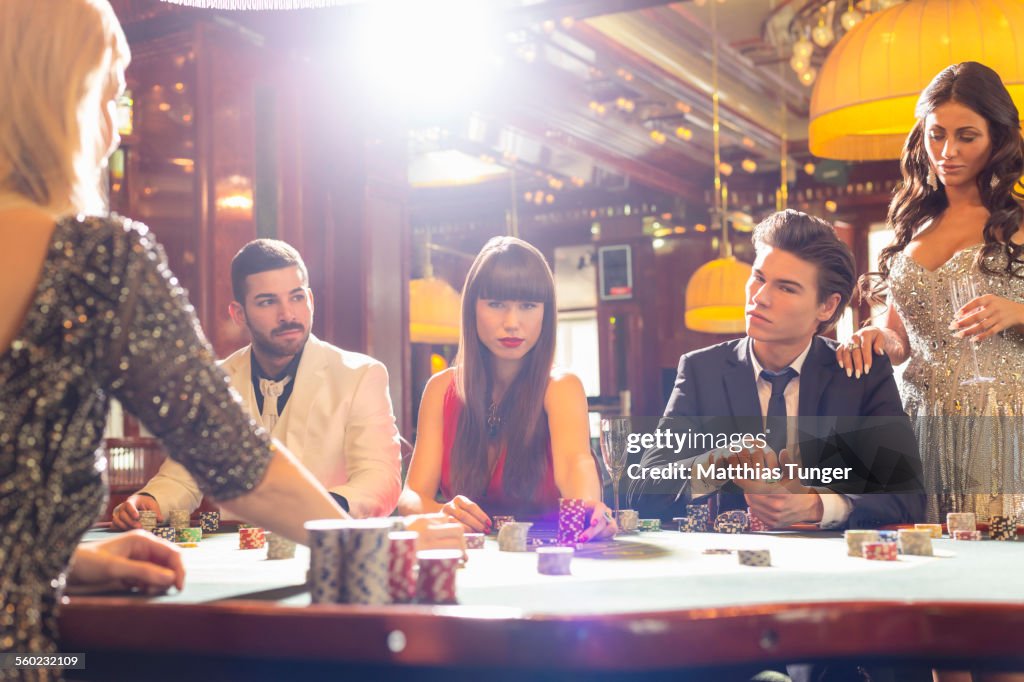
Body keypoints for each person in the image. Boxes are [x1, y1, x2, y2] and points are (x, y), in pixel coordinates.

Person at [0, 0, 459, 664]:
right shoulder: (91, 257)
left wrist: (65, 562)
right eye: (108, 98)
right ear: (62, 97)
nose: (109, 133)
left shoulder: (357, 373)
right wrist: (376, 549)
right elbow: (240, 466)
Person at [630, 210, 924, 529]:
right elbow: (643, 491)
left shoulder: (860, 373)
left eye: (786, 288)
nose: (760, 298)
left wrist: (819, 506)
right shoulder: (702, 371)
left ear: (826, 306)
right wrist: (720, 462)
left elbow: (908, 498)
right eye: (758, 278)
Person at [839, 62, 1024, 524]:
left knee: (994, 554)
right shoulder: (912, 226)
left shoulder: (1017, 221)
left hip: (1000, 416)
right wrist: (877, 337)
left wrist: (1018, 309)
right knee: (923, 551)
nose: (947, 152)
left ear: (997, 139)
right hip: (919, 417)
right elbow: (901, 342)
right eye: (936, 134)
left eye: (967, 136)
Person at [112, 239, 402, 529]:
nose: (288, 314)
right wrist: (151, 500)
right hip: (236, 556)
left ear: (310, 301)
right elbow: (181, 478)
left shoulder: (361, 374)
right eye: (268, 301)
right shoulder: (215, 383)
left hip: (326, 549)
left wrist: (321, 511)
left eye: (297, 297)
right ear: (239, 314)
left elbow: (380, 479)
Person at [398, 236, 615, 540]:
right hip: (467, 560)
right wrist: (440, 512)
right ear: (472, 308)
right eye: (496, 304)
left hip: (546, 562)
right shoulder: (440, 388)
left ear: (545, 313)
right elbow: (411, 496)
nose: (512, 322)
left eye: (528, 305)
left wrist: (590, 507)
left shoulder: (561, 387)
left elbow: (574, 462)